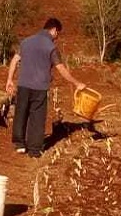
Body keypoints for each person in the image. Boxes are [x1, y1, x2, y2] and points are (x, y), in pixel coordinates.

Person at [5, 17, 86, 158]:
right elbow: (60, 68)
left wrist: (9, 80)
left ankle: (19, 144)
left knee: (21, 112)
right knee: (37, 117)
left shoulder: (26, 42)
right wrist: (76, 83)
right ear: (54, 30)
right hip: (40, 87)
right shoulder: (51, 47)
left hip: (23, 84)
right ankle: (35, 149)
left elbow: (14, 60)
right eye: (58, 33)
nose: (57, 37)